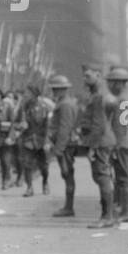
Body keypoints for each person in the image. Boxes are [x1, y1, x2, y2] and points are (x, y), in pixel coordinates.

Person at [77, 65, 117, 228]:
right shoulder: (99, 94)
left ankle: (107, 216)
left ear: (98, 75)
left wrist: (93, 147)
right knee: (102, 177)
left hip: (100, 142)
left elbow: (98, 124)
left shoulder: (99, 96)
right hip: (103, 140)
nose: (84, 79)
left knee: (102, 177)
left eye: (88, 76)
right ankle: (108, 214)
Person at [104, 65, 128, 224]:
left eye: (111, 83)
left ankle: (127, 212)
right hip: (126, 143)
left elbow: (124, 126)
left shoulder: (124, 100)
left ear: (119, 83)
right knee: (125, 178)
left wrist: (116, 145)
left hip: (123, 144)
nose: (109, 86)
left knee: (124, 178)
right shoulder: (126, 97)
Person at [47, 74, 80, 217]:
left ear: (63, 90)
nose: (54, 92)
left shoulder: (65, 104)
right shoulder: (65, 102)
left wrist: (58, 149)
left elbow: (64, 128)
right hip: (66, 144)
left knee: (67, 174)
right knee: (67, 175)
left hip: (65, 145)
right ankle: (68, 206)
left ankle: (69, 207)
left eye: (56, 89)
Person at [14, 81, 54, 197]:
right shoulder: (23, 108)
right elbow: (15, 123)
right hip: (28, 140)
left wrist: (47, 141)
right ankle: (29, 187)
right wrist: (20, 125)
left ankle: (45, 182)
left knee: (44, 165)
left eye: (28, 93)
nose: (25, 95)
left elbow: (49, 125)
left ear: (34, 94)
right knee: (27, 164)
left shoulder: (45, 107)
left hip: (42, 139)